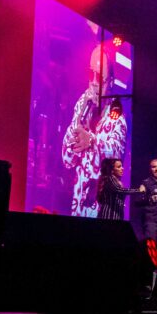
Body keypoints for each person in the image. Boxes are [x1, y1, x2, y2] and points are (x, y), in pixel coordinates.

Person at [62, 45, 128, 217]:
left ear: (110, 82)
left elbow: (115, 155)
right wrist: (77, 122)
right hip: (79, 208)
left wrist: (91, 141)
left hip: (104, 209)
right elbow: (67, 160)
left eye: (99, 77)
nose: (93, 82)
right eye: (90, 73)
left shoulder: (117, 113)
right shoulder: (82, 103)